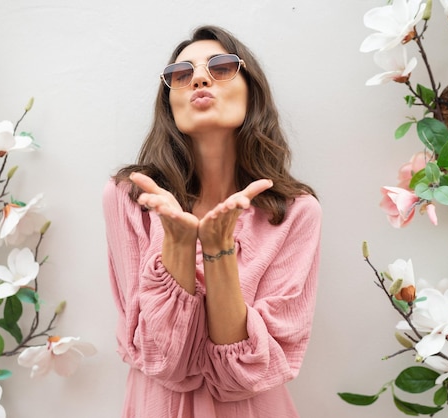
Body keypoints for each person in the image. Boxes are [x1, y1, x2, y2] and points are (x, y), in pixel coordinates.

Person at [102, 25, 322, 418]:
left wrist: (220, 251)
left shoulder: (296, 212)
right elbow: (166, 359)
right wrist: (179, 245)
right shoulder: (130, 199)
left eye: (220, 66)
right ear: (169, 102)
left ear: (252, 92)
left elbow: (242, 374)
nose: (199, 78)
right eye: (181, 74)